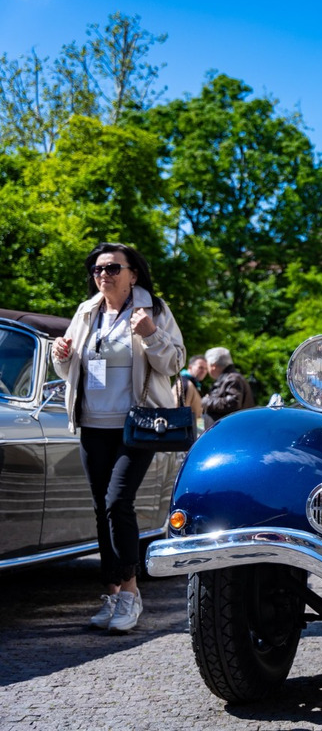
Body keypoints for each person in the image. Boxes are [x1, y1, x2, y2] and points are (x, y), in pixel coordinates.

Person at [51, 242, 186, 634]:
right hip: (92, 423)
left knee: (117, 503)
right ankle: (112, 592)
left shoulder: (153, 311)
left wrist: (150, 334)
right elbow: (68, 369)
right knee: (100, 508)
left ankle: (130, 592)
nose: (103, 275)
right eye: (97, 269)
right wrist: (61, 354)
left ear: (133, 274)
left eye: (112, 268)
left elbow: (175, 363)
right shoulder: (87, 311)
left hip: (136, 424)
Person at [201, 346, 254, 421]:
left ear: (213, 366)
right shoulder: (231, 377)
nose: (207, 370)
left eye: (207, 366)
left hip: (232, 429)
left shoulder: (233, 378)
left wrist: (206, 401)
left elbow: (233, 403)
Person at [180, 355, 207, 431]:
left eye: (206, 369)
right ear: (190, 367)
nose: (204, 371)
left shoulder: (194, 384)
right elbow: (178, 410)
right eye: (200, 367)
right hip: (185, 432)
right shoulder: (184, 383)